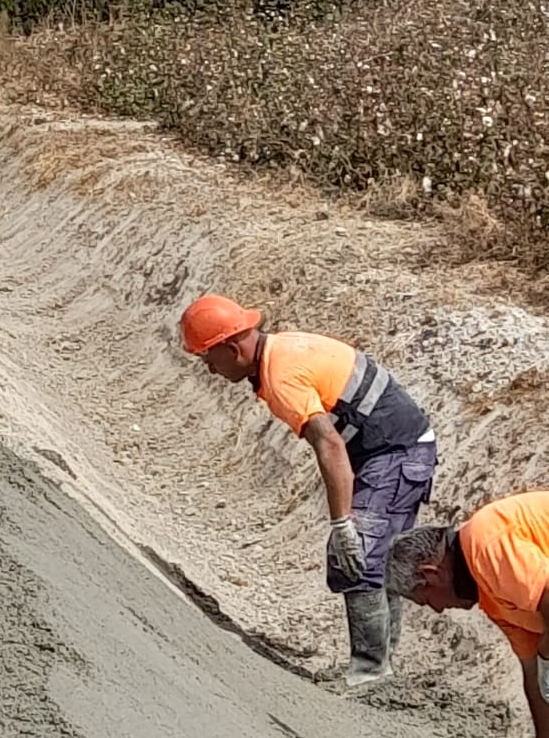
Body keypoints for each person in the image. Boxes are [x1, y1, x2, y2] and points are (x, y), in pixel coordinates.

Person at [179, 294, 437, 688]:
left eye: (208, 360)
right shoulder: (282, 349)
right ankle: (379, 671)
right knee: (379, 560)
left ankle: (370, 673)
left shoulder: (281, 376)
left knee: (357, 555)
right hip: (401, 448)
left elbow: (329, 444)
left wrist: (342, 524)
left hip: (396, 453)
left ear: (232, 349)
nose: (211, 370)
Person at [388, 496, 549, 738]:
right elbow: (535, 681)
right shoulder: (492, 597)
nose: (437, 610)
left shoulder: (487, 543)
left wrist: (547, 657)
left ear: (429, 574)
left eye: (426, 600)